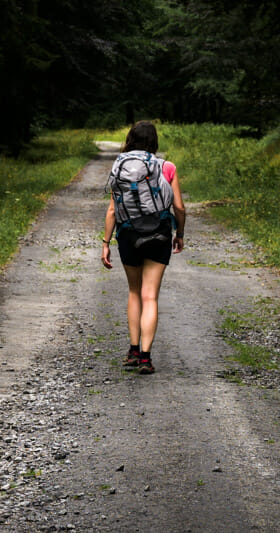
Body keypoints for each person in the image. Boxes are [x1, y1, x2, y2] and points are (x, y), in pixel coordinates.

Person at [100, 119, 186, 374]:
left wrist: (105, 243)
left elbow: (113, 210)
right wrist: (179, 233)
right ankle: (147, 358)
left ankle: (133, 351)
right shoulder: (167, 166)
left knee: (134, 292)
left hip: (127, 233)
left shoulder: (120, 167)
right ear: (154, 142)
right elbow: (179, 207)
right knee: (151, 296)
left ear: (130, 139)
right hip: (159, 232)